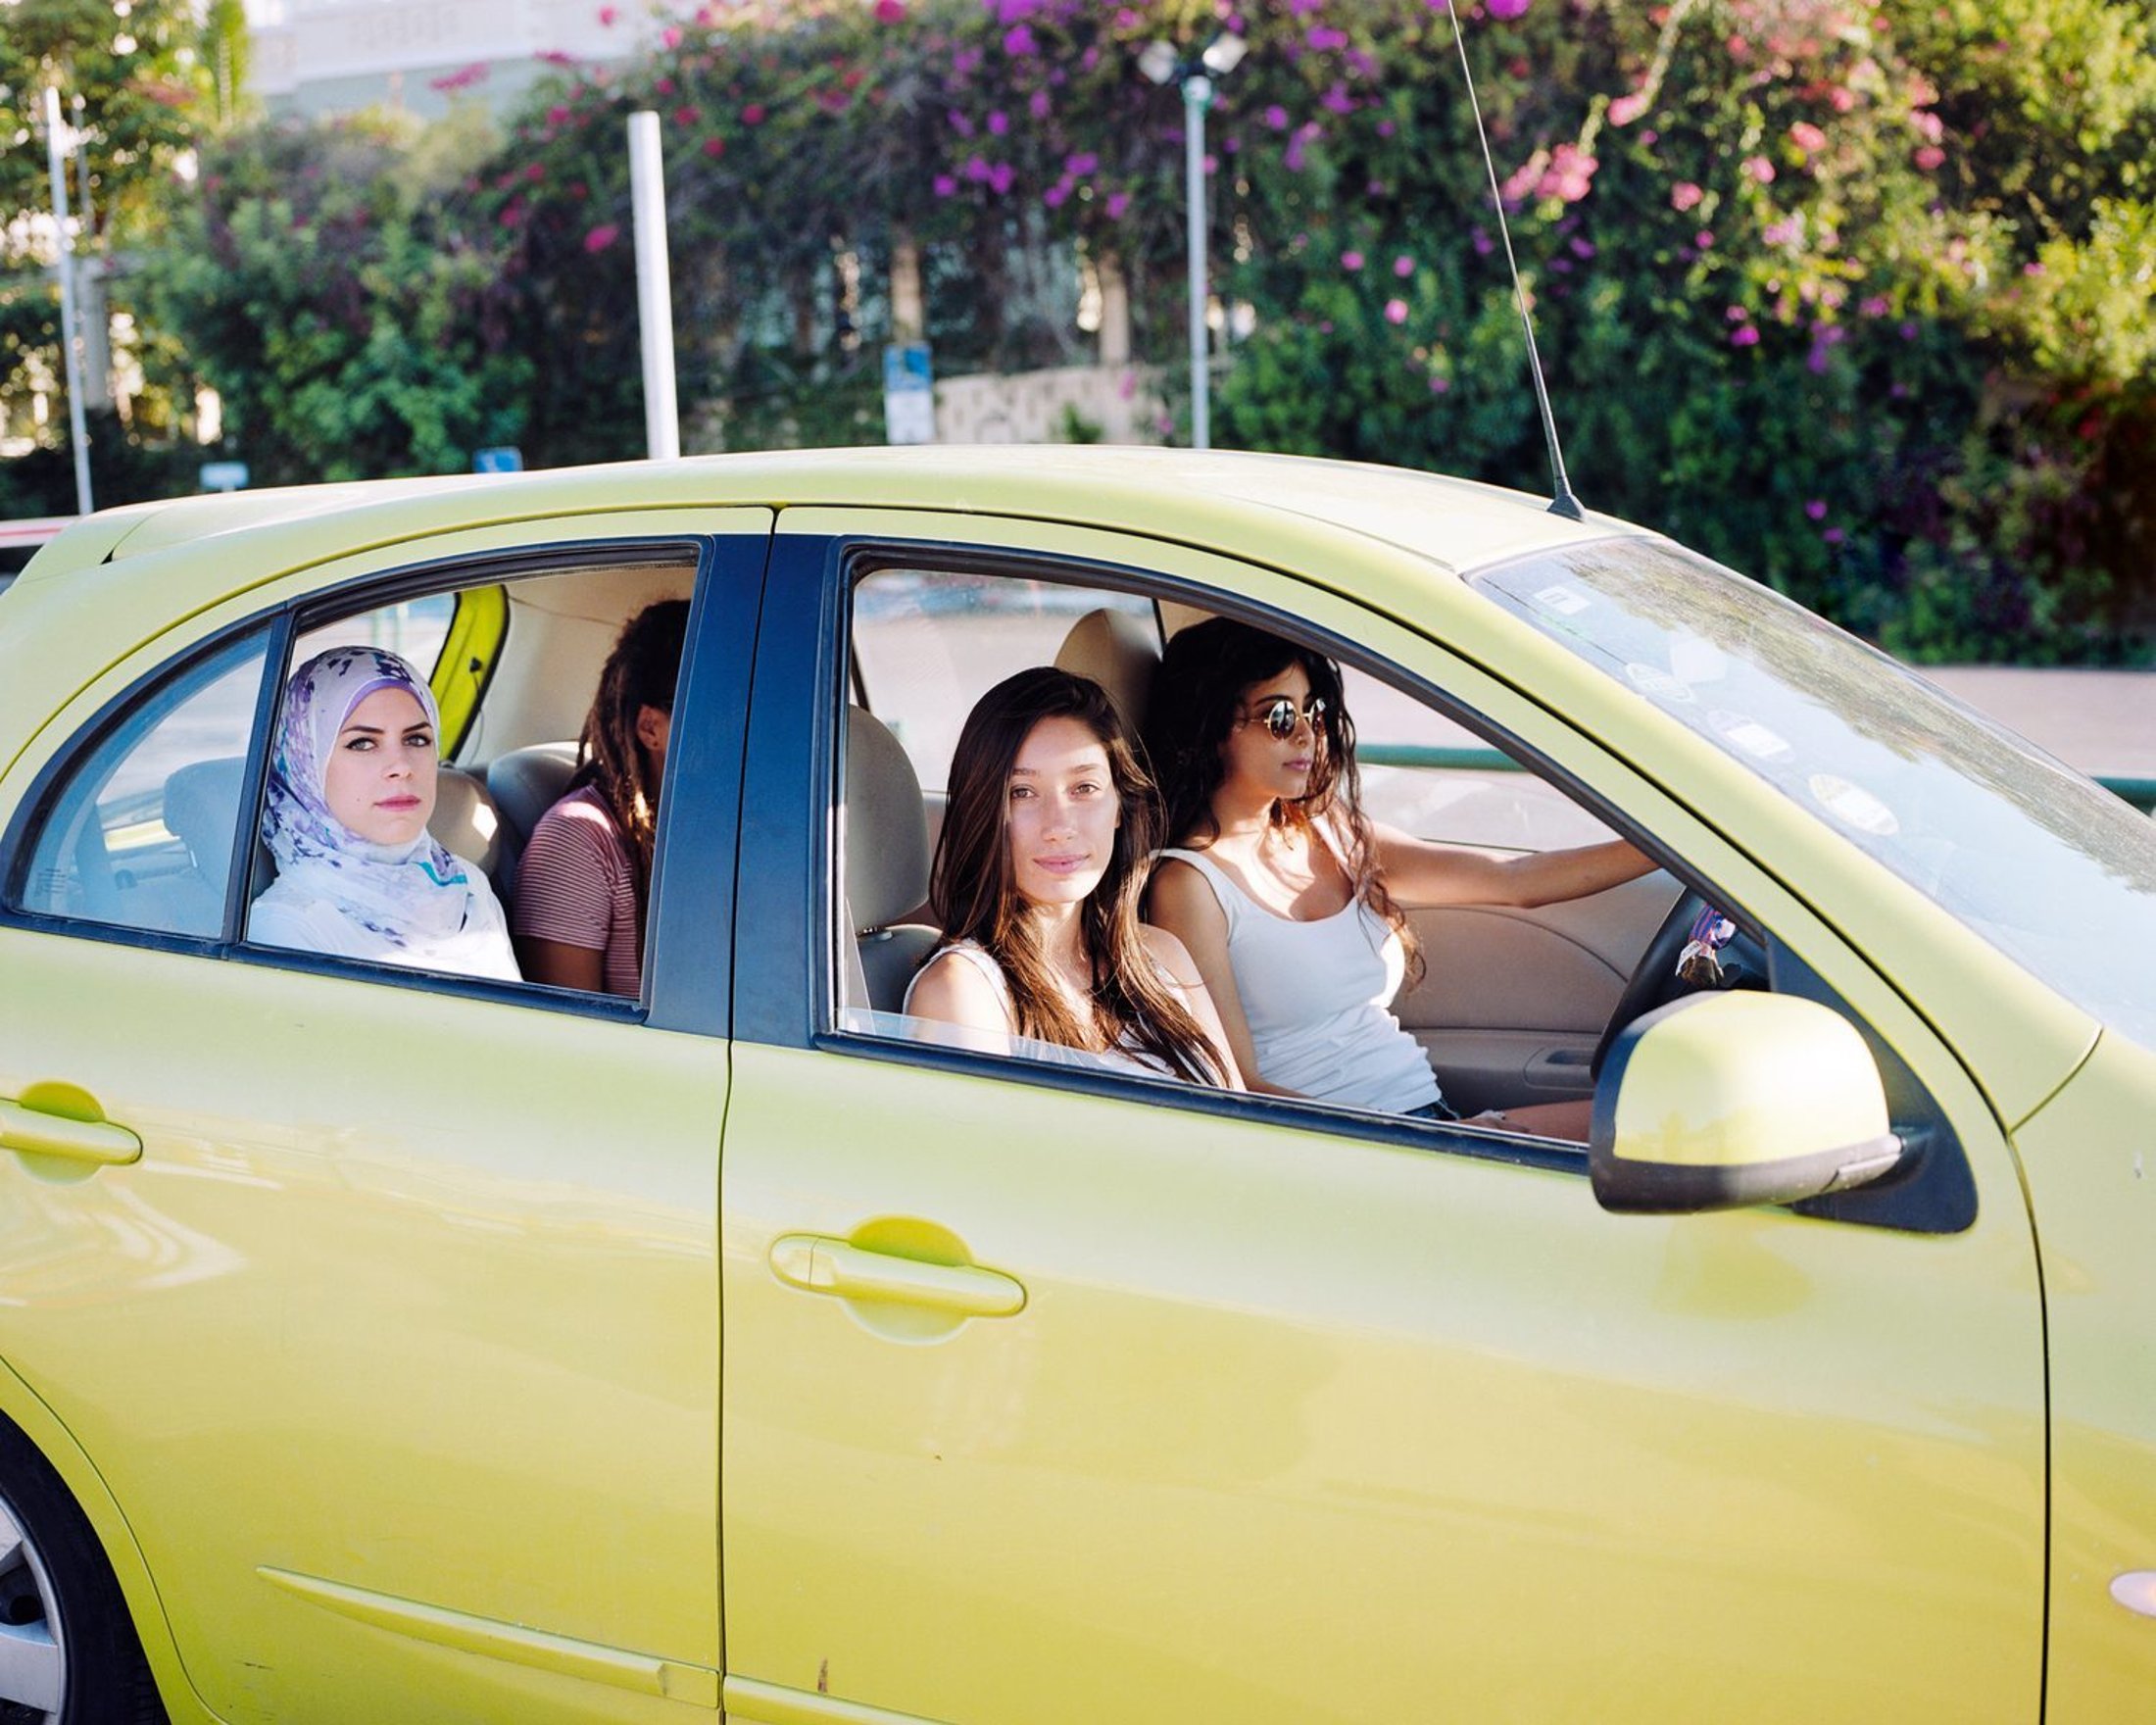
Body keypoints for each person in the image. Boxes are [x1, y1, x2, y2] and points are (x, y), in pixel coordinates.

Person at [1144, 618, 1656, 1133]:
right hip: (1357, 1145)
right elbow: (1238, 1085)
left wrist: (1665, 842)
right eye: (1279, 716)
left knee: (1651, 1121)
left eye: (1313, 710)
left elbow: (1516, 881)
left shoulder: (1331, 831)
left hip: (1430, 1119)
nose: (1306, 733)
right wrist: (1409, 1141)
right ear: (1210, 729)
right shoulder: (1190, 886)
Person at [905, 666, 1242, 1089]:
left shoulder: (1161, 955)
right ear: (984, 813)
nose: (1060, 826)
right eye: (1022, 793)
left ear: (1119, 806)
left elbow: (1241, 1116)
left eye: (1084, 788)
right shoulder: (964, 992)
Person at [250, 645, 519, 980]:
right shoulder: (289, 925)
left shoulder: (467, 884)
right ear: (304, 764)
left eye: (417, 739)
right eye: (362, 743)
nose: (401, 767)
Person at [514, 599, 688, 995]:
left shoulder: (742, 825)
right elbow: (564, 1026)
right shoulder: (579, 840)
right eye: (725, 711)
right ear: (651, 728)